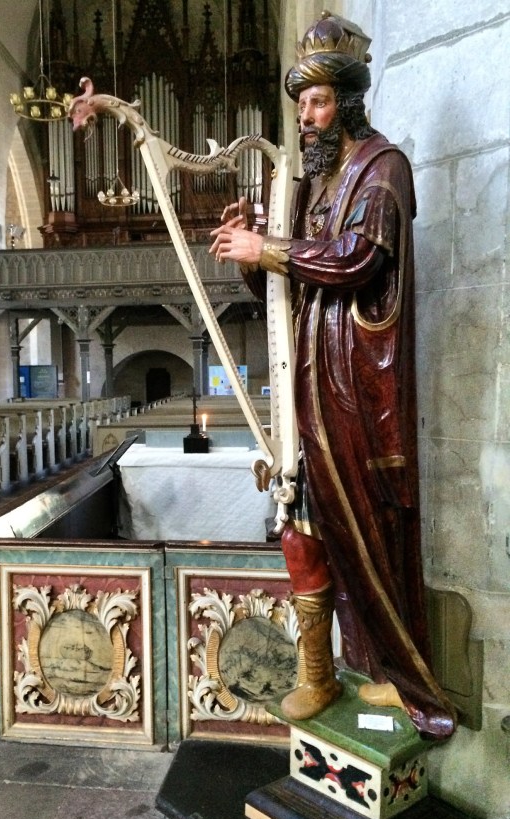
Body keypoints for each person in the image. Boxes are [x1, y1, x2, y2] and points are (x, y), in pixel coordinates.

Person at [209, 12, 456, 740]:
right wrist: (255, 251)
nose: (306, 119)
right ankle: (328, 671)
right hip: (307, 393)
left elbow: (356, 261)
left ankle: (402, 678)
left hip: (359, 394)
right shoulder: (308, 186)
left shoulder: (384, 168)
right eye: (299, 105)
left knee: (373, 533)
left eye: (317, 102)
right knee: (307, 525)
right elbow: (285, 290)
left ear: (347, 99)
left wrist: (273, 248)